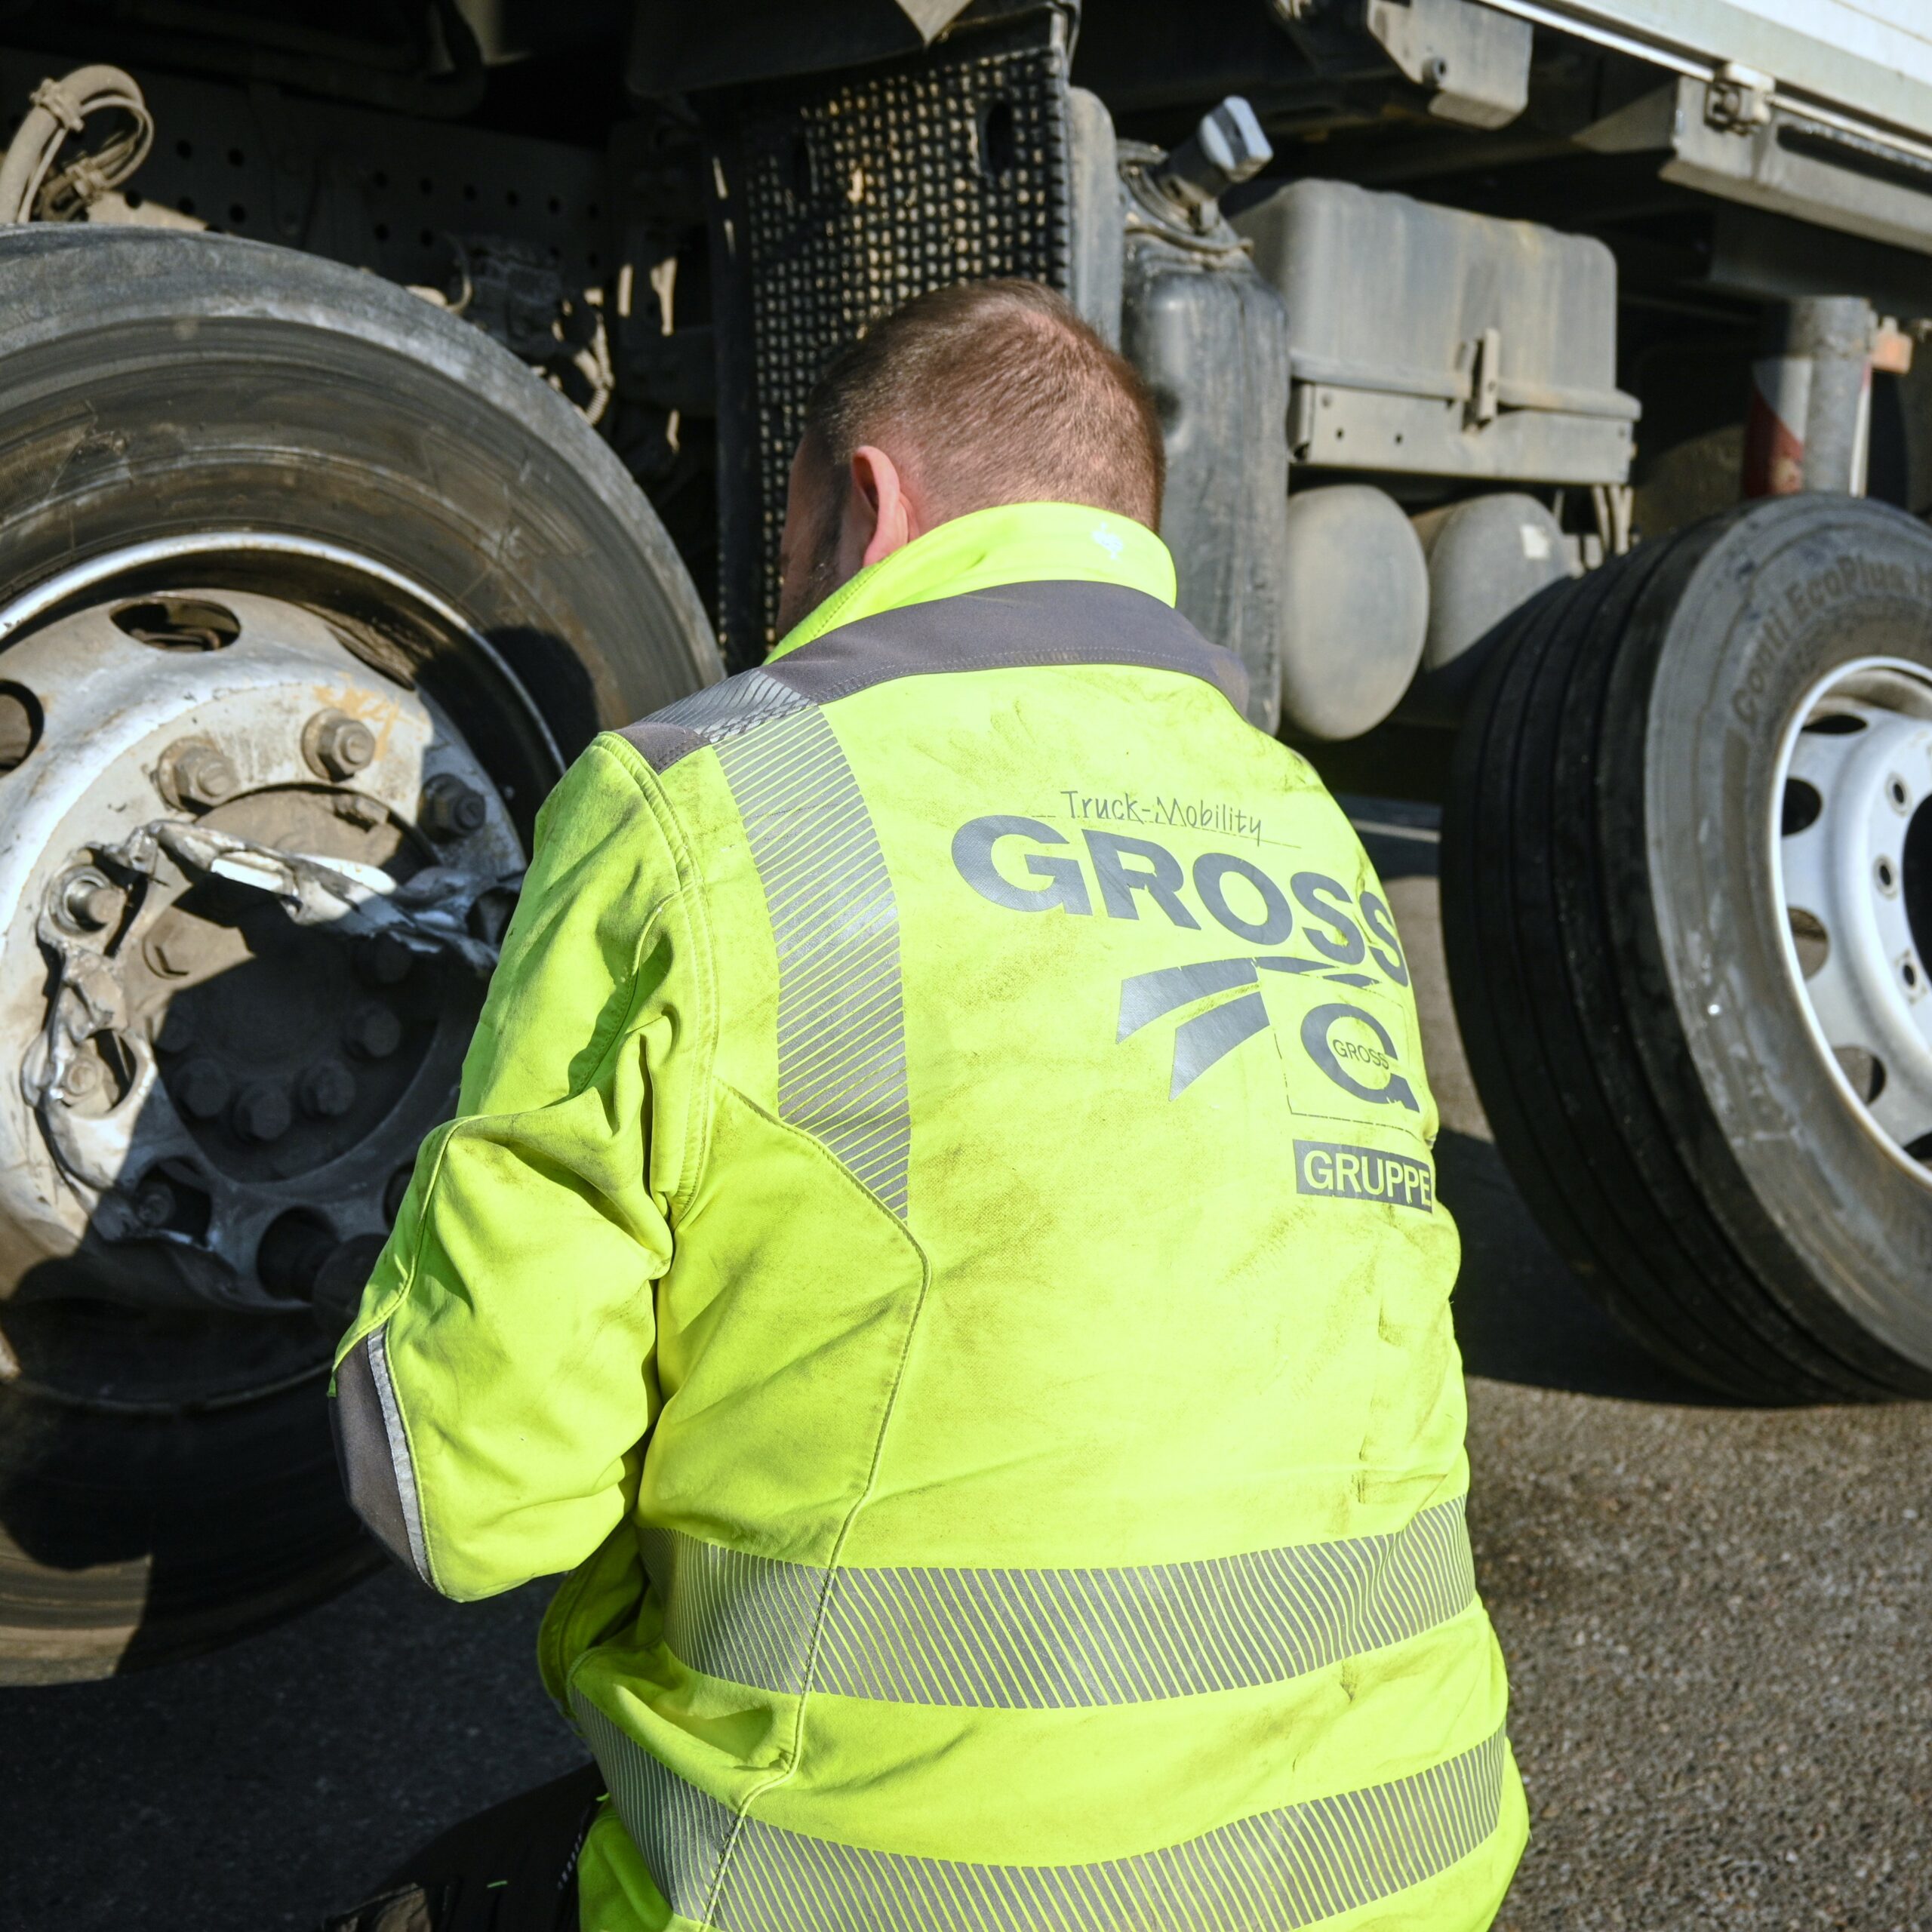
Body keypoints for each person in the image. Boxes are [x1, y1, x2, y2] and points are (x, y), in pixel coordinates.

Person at [327, 278, 1526, 1932]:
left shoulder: (706, 797)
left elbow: (468, 1495)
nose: (791, 602)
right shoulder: (1304, 822)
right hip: (1413, 1865)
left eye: (798, 550)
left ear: (868, 503)